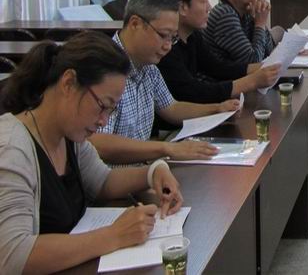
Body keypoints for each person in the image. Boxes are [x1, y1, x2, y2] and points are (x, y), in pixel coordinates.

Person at [0, 32, 184, 274]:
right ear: (68, 83)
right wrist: (114, 235)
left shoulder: (68, 134)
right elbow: (13, 255)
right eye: (102, 106)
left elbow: (102, 181)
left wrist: (154, 172)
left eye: (111, 110)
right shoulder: (11, 148)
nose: (103, 121)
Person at [89, 0, 241, 165]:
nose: (168, 46)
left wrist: (217, 109)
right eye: (163, 35)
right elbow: (96, 143)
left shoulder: (149, 68)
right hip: (115, 179)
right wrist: (166, 149)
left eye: (173, 37)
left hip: (142, 171)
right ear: (135, 24)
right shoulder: (104, 69)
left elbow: (171, 108)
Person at [159, 0, 281, 103]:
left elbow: (217, 67)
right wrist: (252, 80)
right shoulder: (166, 47)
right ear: (182, 7)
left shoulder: (193, 35)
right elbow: (191, 91)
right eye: (203, 0)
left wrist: (264, 66)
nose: (209, 7)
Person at [204, 0, 282, 64]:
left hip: (244, 74)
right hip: (221, 75)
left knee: (280, 31)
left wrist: (256, 19)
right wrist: (260, 23)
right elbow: (253, 62)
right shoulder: (224, 15)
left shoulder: (244, 10)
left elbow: (269, 50)